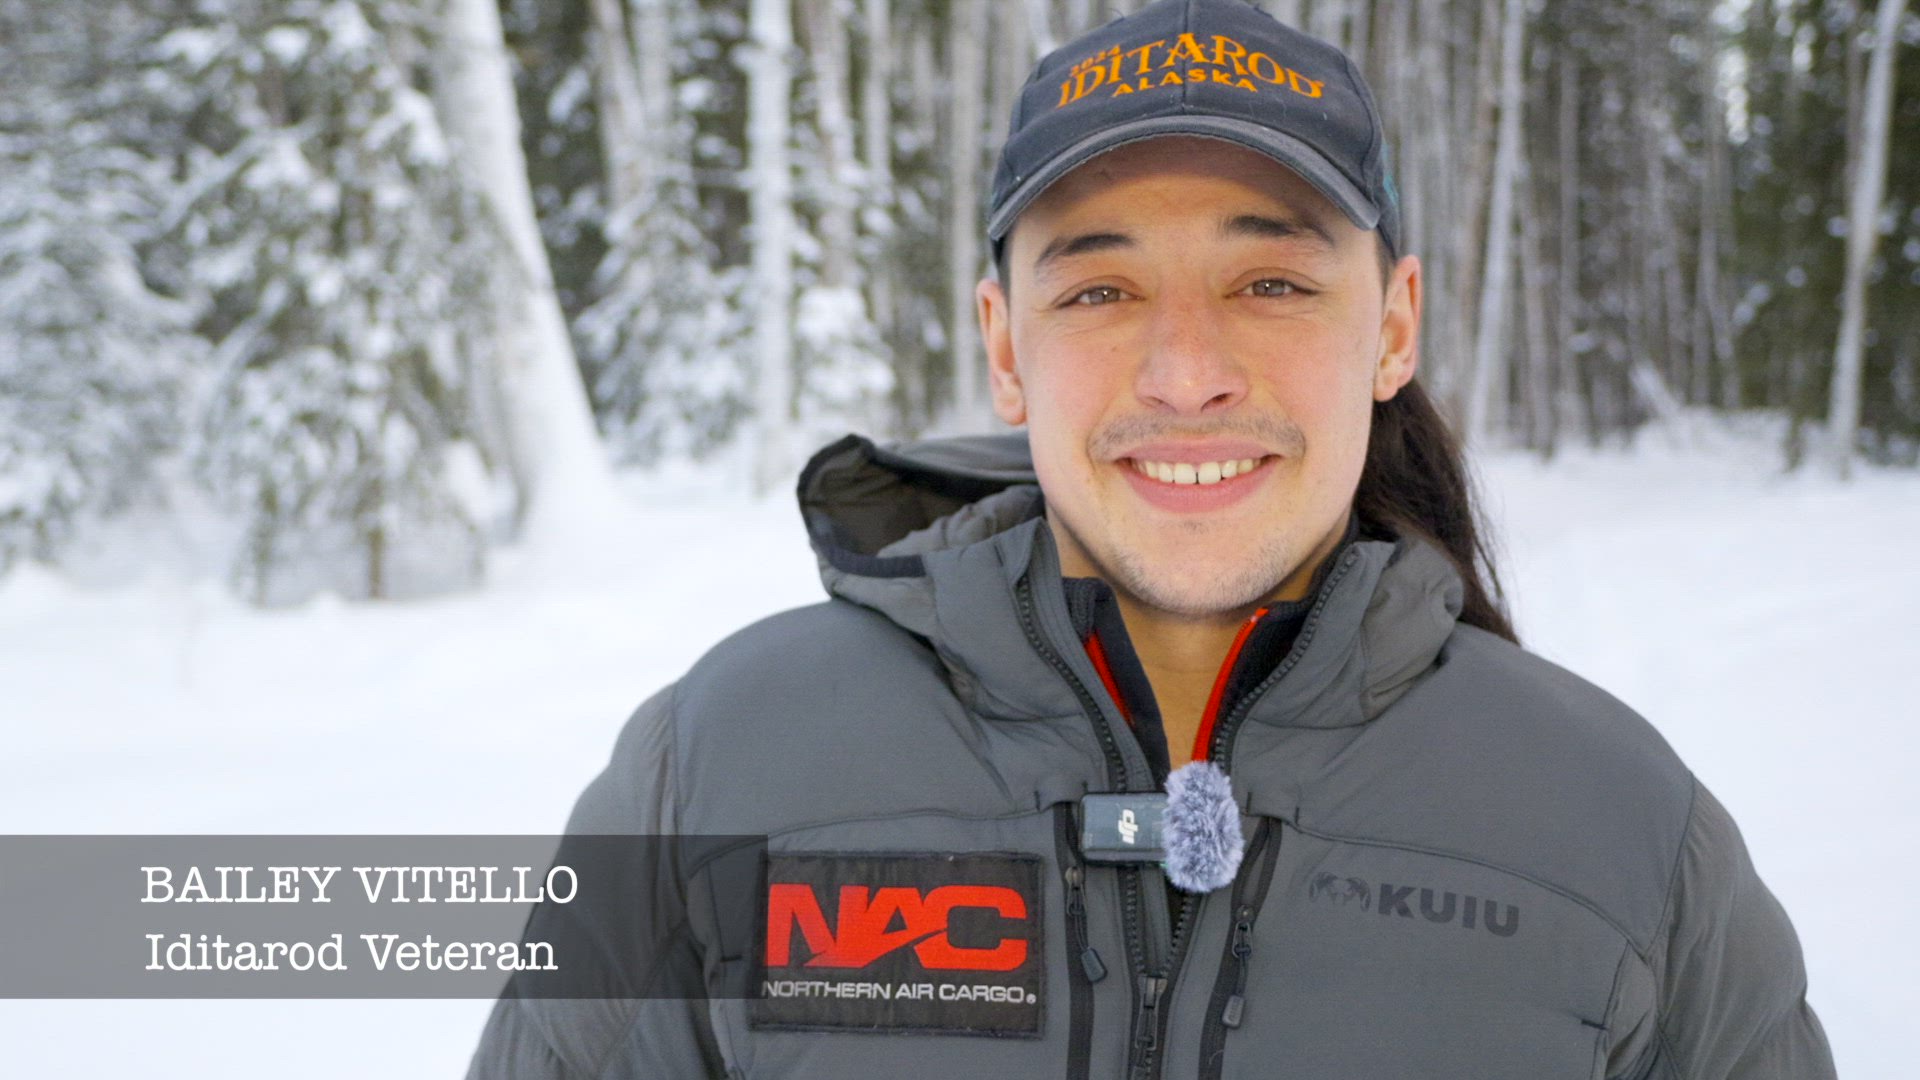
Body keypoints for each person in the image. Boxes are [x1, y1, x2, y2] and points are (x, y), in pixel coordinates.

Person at [468, 0, 1834, 1076]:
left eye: (1272, 281)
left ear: (1393, 326)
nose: (1186, 374)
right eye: (1102, 289)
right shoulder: (716, 769)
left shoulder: (1626, 837)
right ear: (1007, 347)